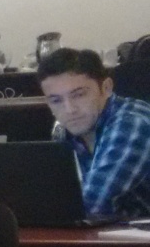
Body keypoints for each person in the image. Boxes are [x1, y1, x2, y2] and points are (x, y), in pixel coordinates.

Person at [40, 47, 150, 219]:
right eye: (56, 101)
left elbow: (91, 203)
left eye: (79, 95)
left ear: (106, 88)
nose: (69, 110)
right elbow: (61, 197)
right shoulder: (63, 130)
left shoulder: (132, 123)